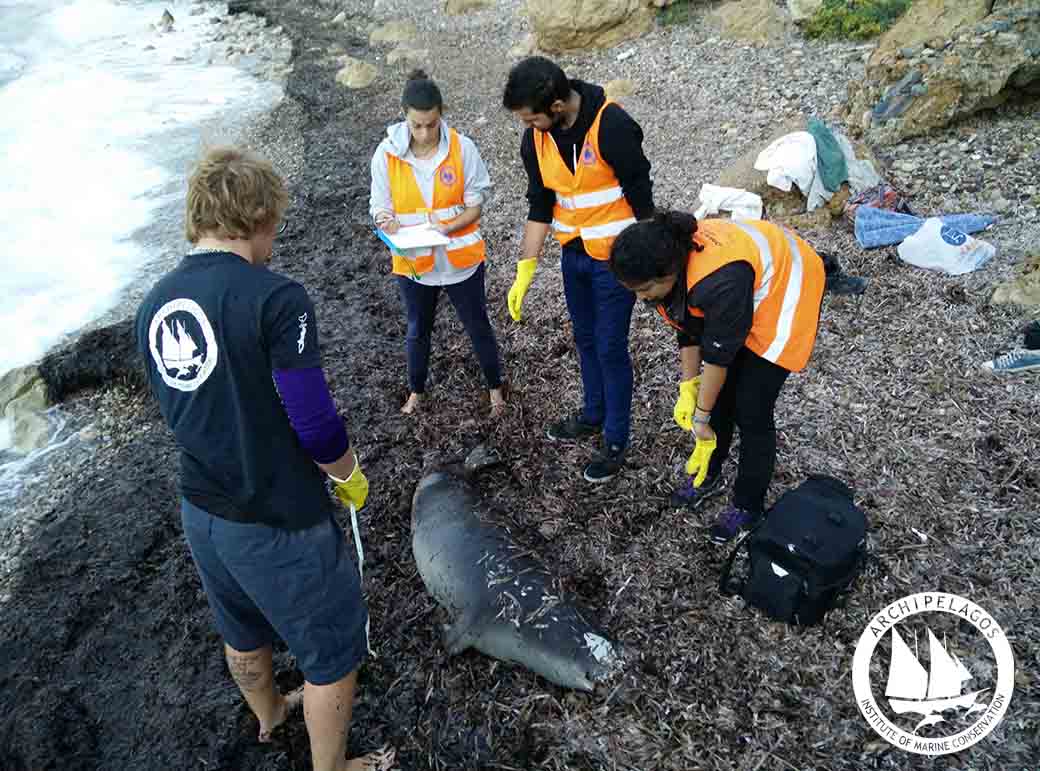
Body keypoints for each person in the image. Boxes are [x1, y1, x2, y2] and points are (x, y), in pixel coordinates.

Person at [135, 147, 394, 771]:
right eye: (273, 217)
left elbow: (184, 408)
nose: (276, 231)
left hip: (202, 511)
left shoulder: (154, 304)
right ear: (253, 215)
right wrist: (348, 474)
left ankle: (271, 713)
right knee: (332, 653)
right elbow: (313, 419)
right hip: (279, 518)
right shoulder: (276, 299)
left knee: (241, 631)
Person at [608, 211, 826, 543]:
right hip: (746, 282)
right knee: (719, 396)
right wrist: (688, 387)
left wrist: (701, 416)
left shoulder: (719, 281)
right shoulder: (668, 272)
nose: (640, 298)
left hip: (788, 285)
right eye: (633, 291)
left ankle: (748, 505)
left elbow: (718, 357)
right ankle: (710, 472)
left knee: (752, 408)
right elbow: (690, 331)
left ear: (669, 271)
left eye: (644, 289)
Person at [502, 56, 654, 483]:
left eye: (531, 118)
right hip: (574, 256)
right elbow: (540, 204)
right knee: (584, 338)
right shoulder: (535, 142)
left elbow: (643, 200)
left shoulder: (613, 126)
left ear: (555, 106)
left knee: (609, 346)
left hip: (616, 260)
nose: (527, 127)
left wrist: (653, 264)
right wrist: (525, 270)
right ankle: (592, 412)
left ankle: (616, 438)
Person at [370, 69, 505, 417]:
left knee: (478, 325)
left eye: (431, 124)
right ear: (405, 116)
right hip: (415, 263)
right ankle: (416, 391)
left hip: (460, 258)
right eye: (417, 125)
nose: (425, 132)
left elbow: (475, 205)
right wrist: (383, 220)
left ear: (440, 114)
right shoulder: (385, 155)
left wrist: (446, 227)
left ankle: (496, 391)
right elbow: (379, 208)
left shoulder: (464, 148)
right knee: (417, 329)